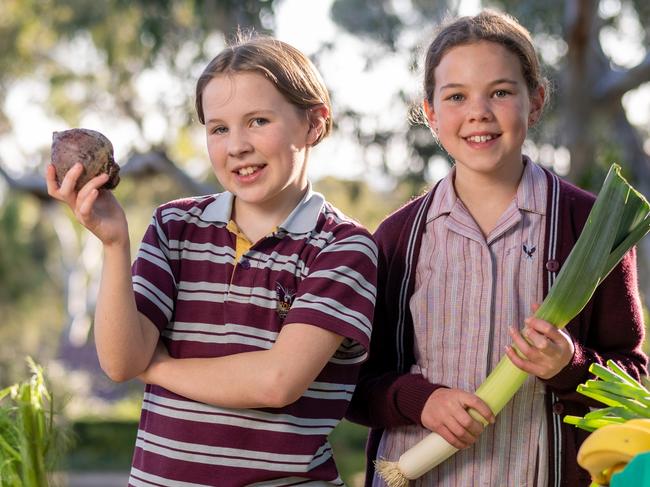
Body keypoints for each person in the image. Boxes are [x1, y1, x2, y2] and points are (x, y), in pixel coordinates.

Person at [47, 35, 378, 486]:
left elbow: (275, 382)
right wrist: (113, 243)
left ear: (314, 124)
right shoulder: (174, 226)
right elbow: (122, 362)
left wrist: (157, 367)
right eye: (219, 128)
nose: (236, 145)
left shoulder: (342, 247)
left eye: (258, 121)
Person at [346, 10, 647, 487]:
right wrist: (419, 399)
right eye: (456, 96)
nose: (478, 112)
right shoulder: (397, 239)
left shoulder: (590, 227)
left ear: (536, 101)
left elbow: (632, 381)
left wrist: (570, 366)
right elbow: (353, 386)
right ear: (431, 112)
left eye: (501, 92)